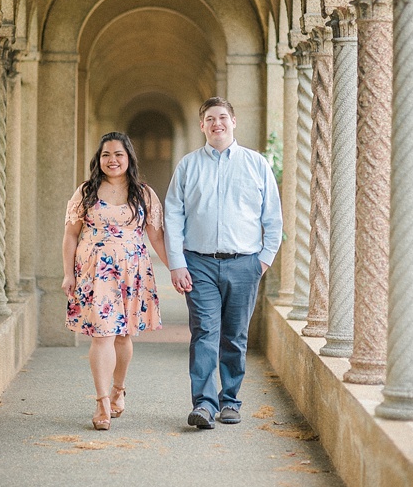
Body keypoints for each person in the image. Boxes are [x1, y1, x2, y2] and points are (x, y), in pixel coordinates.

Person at [164, 97, 282, 430]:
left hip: (245, 263)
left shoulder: (256, 164)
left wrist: (263, 260)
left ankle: (230, 401)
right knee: (204, 333)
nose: (218, 123)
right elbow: (173, 215)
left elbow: (272, 216)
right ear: (202, 125)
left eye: (223, 117)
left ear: (234, 121)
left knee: (234, 336)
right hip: (198, 263)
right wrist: (176, 263)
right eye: (211, 118)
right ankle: (203, 404)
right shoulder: (188, 166)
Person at [62, 131, 166, 430]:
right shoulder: (86, 192)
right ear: (99, 159)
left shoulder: (143, 193)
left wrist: (177, 269)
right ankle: (102, 402)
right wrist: (69, 273)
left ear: (129, 158)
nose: (112, 160)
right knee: (102, 335)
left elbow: (156, 237)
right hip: (95, 273)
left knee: (123, 336)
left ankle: (119, 389)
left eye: (119, 154)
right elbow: (70, 234)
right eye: (106, 155)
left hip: (132, 272)